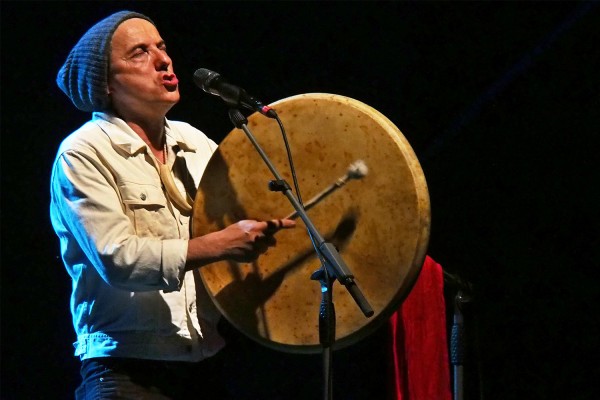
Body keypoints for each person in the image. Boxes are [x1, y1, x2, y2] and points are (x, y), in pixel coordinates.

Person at [50, 10, 295, 399]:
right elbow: (119, 258)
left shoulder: (195, 142)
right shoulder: (82, 152)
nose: (163, 60)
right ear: (106, 84)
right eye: (139, 53)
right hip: (127, 372)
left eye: (162, 47)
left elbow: (243, 213)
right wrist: (223, 244)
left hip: (206, 365)